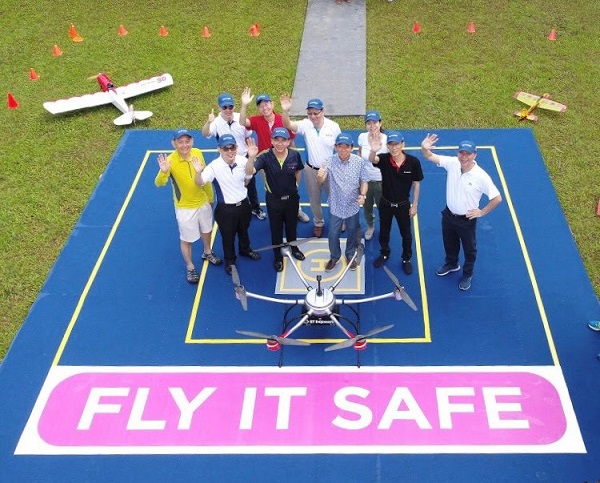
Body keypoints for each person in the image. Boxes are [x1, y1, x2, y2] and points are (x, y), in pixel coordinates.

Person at [421, 134, 502, 291]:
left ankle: (467, 274)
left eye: (468, 154)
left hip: (466, 220)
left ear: (474, 155)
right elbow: (430, 156)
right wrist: (424, 147)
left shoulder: (481, 176)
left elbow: (497, 198)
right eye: (461, 153)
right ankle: (452, 264)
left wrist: (481, 212)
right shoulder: (452, 163)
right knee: (449, 243)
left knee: (469, 249)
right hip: (449, 215)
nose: (464, 157)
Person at [155, 129, 222, 284]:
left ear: (192, 141)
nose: (184, 145)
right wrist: (163, 172)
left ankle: (207, 252)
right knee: (187, 239)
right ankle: (190, 266)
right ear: (174, 143)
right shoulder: (170, 161)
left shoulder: (197, 153)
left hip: (203, 202)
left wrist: (210, 198)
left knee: (207, 230)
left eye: (187, 141)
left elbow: (203, 177)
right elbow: (159, 183)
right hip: (185, 208)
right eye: (180, 141)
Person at [239, 87, 309, 224]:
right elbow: (242, 122)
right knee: (272, 189)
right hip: (266, 161)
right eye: (260, 105)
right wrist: (244, 104)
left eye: (266, 103)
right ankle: (278, 212)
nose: (264, 107)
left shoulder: (283, 119)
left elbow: (292, 141)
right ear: (258, 109)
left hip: (285, 158)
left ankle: (297, 209)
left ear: (272, 104)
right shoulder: (257, 120)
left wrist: (294, 156)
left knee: (291, 187)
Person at [193, 134, 261, 275]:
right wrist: (198, 172)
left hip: (244, 204)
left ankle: (245, 249)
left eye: (233, 148)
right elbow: (200, 182)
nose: (230, 151)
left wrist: (252, 158)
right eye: (226, 148)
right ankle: (230, 261)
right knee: (228, 237)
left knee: (244, 231)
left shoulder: (243, 161)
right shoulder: (213, 167)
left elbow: (249, 177)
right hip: (226, 209)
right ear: (220, 149)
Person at [281, 95, 341, 238]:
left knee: (335, 197)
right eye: (310, 113)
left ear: (323, 111)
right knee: (314, 199)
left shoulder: (334, 127)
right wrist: (285, 111)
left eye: (316, 113)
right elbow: (288, 125)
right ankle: (318, 223)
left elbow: (340, 149)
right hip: (310, 169)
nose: (313, 116)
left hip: (329, 169)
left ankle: (338, 220)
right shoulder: (305, 124)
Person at [202, 92, 266, 221]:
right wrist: (208, 122)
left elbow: (248, 134)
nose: (228, 110)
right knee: (230, 183)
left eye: (230, 107)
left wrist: (249, 151)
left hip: (244, 155)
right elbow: (205, 133)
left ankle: (255, 207)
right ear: (219, 107)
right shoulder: (215, 122)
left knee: (250, 183)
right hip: (227, 159)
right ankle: (230, 208)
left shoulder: (240, 118)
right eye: (224, 107)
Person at [250, 128, 307, 271]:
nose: (280, 143)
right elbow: (250, 171)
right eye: (276, 140)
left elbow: (298, 170)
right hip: (274, 201)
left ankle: (294, 249)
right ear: (271, 141)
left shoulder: (295, 155)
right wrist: (251, 157)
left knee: (291, 227)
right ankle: (278, 256)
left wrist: (296, 185)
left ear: (288, 141)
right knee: (276, 230)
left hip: (292, 199)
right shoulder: (264, 157)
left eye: (283, 140)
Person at [368, 131, 423, 275]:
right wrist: (373, 151)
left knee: (406, 234)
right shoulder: (384, 159)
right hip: (385, 204)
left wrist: (415, 205)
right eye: (391, 145)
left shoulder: (413, 162)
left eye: (396, 144)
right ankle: (385, 253)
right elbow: (373, 160)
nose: (394, 148)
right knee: (384, 231)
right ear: (387, 146)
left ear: (402, 144)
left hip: (403, 205)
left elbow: (416, 184)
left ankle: (406, 259)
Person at [317, 132, 368, 272]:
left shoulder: (359, 162)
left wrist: (363, 194)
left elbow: (364, 180)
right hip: (336, 206)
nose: (343, 150)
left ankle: (350, 254)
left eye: (347, 147)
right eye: (340, 146)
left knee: (352, 232)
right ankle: (334, 257)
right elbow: (321, 180)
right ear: (335, 147)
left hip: (352, 205)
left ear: (352, 148)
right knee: (333, 234)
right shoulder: (329, 161)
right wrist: (320, 177)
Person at [357, 110, 387, 242]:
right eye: (368, 123)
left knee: (383, 208)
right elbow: (359, 153)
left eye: (375, 122)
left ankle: (385, 228)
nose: (372, 125)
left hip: (381, 181)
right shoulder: (362, 137)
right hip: (365, 181)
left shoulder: (387, 141)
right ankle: (370, 226)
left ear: (380, 123)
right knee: (367, 207)